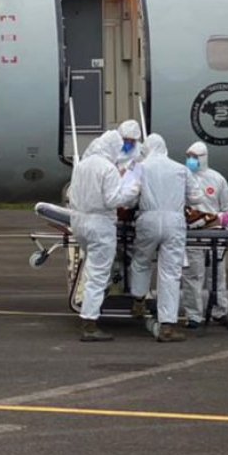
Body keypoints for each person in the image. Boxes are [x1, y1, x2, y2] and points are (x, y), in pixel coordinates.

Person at [70, 129, 142, 341]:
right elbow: (112, 200)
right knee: (98, 274)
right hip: (100, 223)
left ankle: (91, 306)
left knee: (92, 268)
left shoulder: (82, 165)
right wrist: (133, 189)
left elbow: (73, 194)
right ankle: (90, 323)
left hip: (79, 221)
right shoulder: (108, 168)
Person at [128, 134, 189, 342]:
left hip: (148, 219)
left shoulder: (140, 167)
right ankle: (167, 325)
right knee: (170, 273)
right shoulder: (181, 169)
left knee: (141, 261)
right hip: (175, 221)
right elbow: (196, 197)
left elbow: (128, 197)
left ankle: (138, 300)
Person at [181, 140, 228, 328]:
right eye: (188, 156)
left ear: (203, 158)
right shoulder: (182, 177)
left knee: (218, 276)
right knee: (192, 276)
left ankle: (220, 311)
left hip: (215, 234)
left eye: (194, 157)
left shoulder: (217, 179)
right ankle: (194, 315)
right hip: (193, 235)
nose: (190, 160)